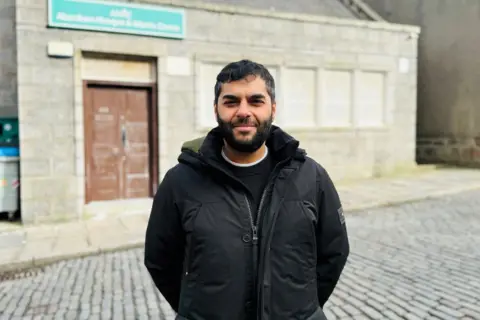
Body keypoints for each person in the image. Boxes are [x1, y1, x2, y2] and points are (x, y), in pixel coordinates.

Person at [144, 59, 350, 320]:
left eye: (255, 101)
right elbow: (160, 260)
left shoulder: (311, 177)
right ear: (216, 109)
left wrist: (302, 309)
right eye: (231, 102)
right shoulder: (180, 181)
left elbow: (334, 252)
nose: (243, 111)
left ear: (272, 109)